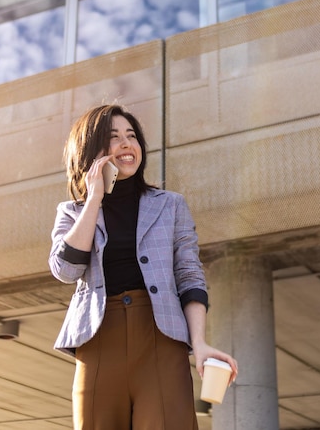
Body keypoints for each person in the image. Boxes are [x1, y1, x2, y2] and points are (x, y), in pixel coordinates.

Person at [49, 103, 238, 430]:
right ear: (91, 150)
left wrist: (200, 343)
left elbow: (189, 276)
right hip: (98, 343)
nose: (126, 144)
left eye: (132, 136)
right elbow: (65, 270)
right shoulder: (72, 212)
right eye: (114, 137)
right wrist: (94, 199)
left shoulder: (170, 205)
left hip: (160, 341)